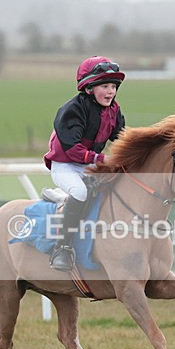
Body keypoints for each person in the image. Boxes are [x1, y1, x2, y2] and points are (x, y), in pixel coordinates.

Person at [43, 56, 126, 271]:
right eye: (105, 86)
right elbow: (72, 149)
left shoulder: (114, 110)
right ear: (89, 88)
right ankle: (62, 248)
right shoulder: (72, 109)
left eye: (113, 86)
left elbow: (122, 140)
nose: (110, 92)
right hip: (65, 164)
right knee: (80, 191)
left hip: (89, 165)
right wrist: (101, 159)